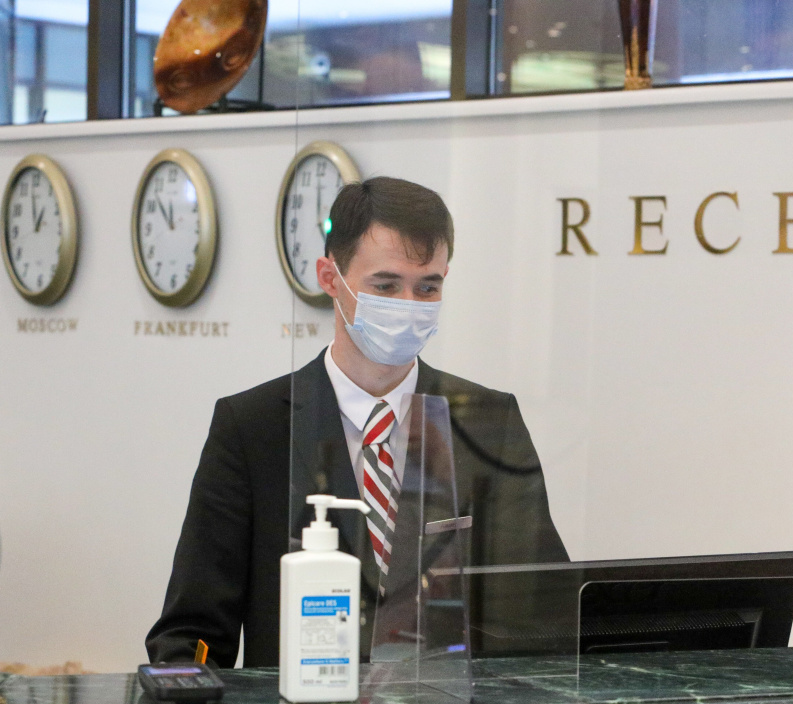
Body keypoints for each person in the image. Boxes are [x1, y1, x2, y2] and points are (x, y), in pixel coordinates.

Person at [146, 177, 568, 668]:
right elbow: (191, 632)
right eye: (386, 286)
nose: (409, 305)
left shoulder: (487, 421)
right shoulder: (252, 427)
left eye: (427, 287)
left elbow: (544, 615)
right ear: (330, 278)